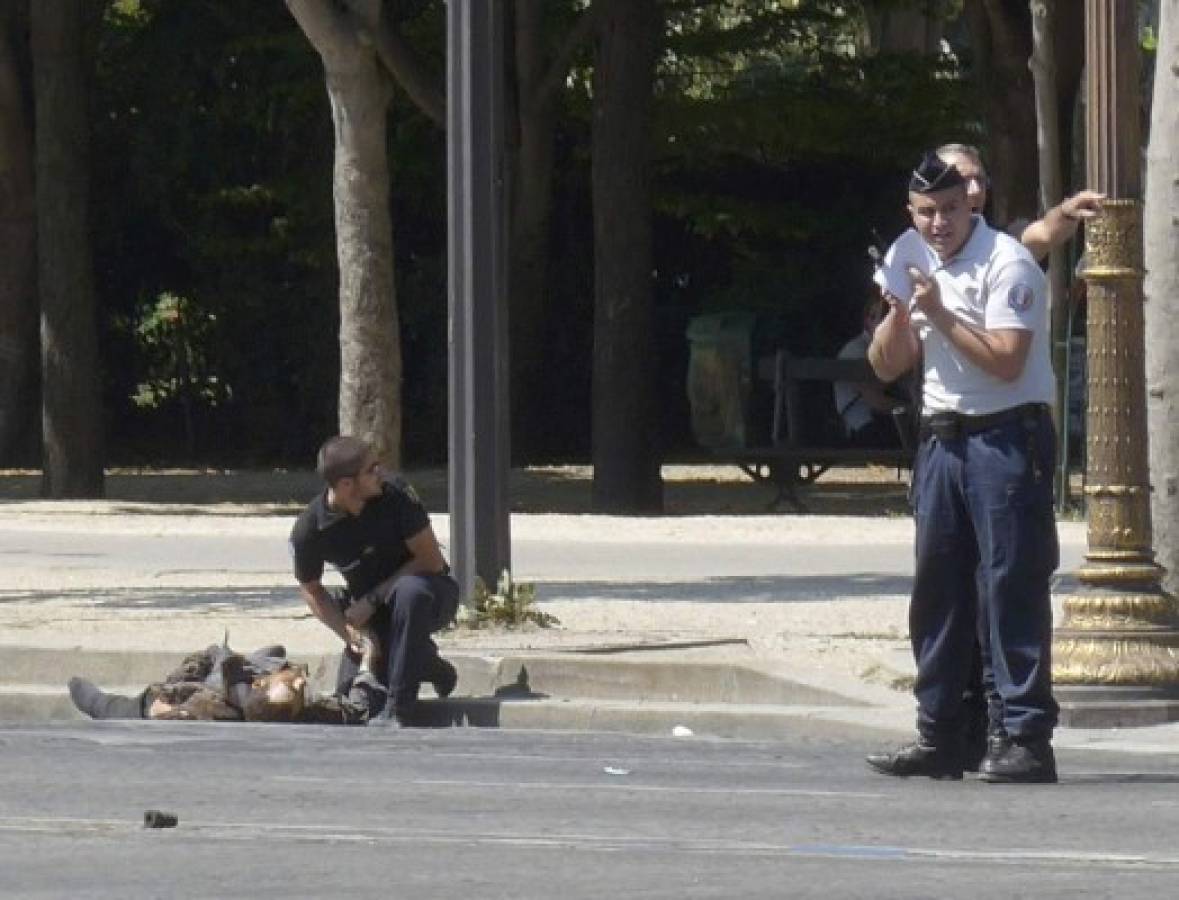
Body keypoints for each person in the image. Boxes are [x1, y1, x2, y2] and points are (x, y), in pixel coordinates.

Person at [864, 152, 1060, 784]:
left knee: (1010, 587)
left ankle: (1024, 735)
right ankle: (942, 733)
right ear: (912, 214)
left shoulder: (1007, 261)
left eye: (949, 209)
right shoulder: (906, 252)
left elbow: (1006, 360)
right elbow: (885, 365)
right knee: (938, 591)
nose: (939, 223)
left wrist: (942, 315)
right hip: (942, 441)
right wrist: (901, 314)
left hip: (1006, 436)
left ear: (969, 204)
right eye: (927, 212)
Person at [289, 435, 460, 727]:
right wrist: (351, 635)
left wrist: (373, 598)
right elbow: (311, 589)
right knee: (354, 700)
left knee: (409, 592)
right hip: (373, 616)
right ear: (346, 485)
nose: (380, 472)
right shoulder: (310, 529)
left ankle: (399, 710)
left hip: (428, 594)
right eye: (371, 469)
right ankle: (430, 665)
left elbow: (430, 560)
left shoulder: (395, 494)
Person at [67, 641, 378, 724]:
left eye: (296, 689)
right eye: (298, 686)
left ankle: (96, 702)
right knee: (273, 652)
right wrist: (359, 661)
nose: (301, 682)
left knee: (106, 707)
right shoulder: (291, 703)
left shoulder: (208, 706)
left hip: (160, 704)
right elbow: (353, 708)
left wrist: (164, 712)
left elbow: (346, 711)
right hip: (216, 679)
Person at [935, 142, 1104, 262]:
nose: (976, 190)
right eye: (963, 181)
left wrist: (1066, 212)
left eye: (980, 180)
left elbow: (1045, 232)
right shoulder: (913, 252)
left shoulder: (1003, 245)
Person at [832, 296, 907, 447]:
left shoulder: (891, 348)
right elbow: (876, 402)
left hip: (883, 421)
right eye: (883, 316)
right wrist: (912, 410)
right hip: (863, 426)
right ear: (868, 320)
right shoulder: (856, 351)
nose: (888, 321)